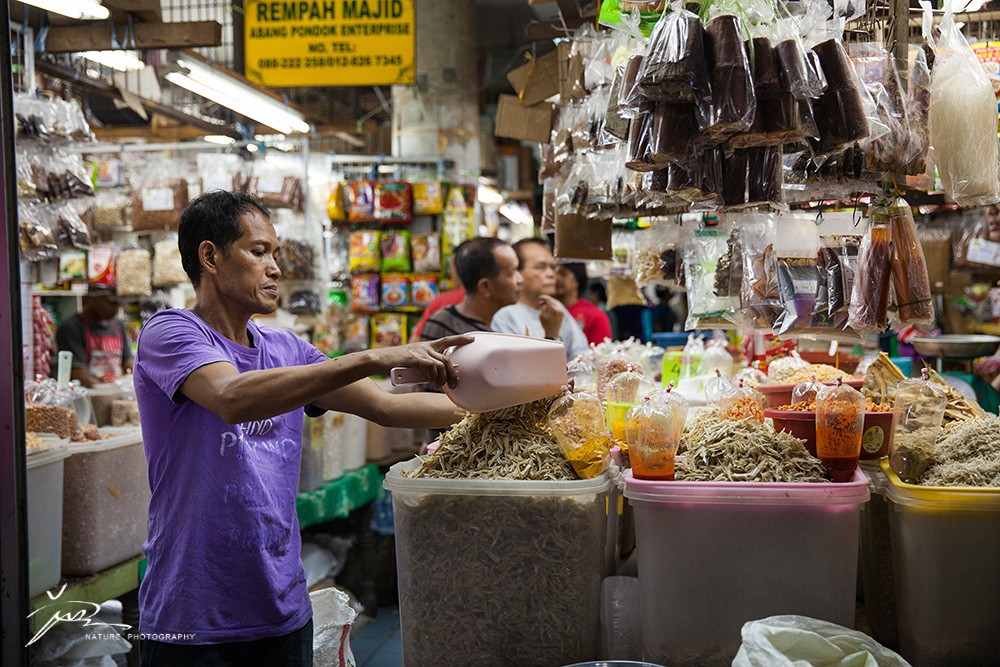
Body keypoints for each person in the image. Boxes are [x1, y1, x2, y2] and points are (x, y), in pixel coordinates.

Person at [133, 192, 471, 667]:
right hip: (194, 616)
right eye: (258, 252)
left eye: (275, 252)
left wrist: (504, 408)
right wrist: (374, 356)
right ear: (210, 257)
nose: (275, 267)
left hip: (281, 609)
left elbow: (387, 406)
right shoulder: (170, 333)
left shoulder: (287, 348)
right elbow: (231, 398)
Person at [491, 238, 588, 359]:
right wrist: (551, 334)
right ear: (518, 273)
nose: (551, 274)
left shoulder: (555, 307)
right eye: (541, 267)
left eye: (552, 267)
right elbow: (521, 371)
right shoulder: (505, 316)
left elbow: (582, 354)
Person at [420, 236, 523, 340]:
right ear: (485, 287)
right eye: (512, 273)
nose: (520, 279)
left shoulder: (501, 324)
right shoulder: (443, 325)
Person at [55, 284, 134, 387]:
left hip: (115, 393)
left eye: (118, 304)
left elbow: (129, 365)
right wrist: (108, 391)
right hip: (89, 396)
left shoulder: (118, 325)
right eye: (111, 303)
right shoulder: (72, 328)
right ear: (90, 299)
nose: (116, 309)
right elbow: (80, 377)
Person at [411, 245, 465, 340]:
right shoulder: (489, 297)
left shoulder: (442, 301)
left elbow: (414, 343)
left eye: (451, 267)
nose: (449, 272)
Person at [554, 263, 611, 346]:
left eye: (563, 274)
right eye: (556, 273)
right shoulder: (544, 310)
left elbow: (600, 352)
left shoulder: (595, 315)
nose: (557, 278)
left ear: (577, 279)